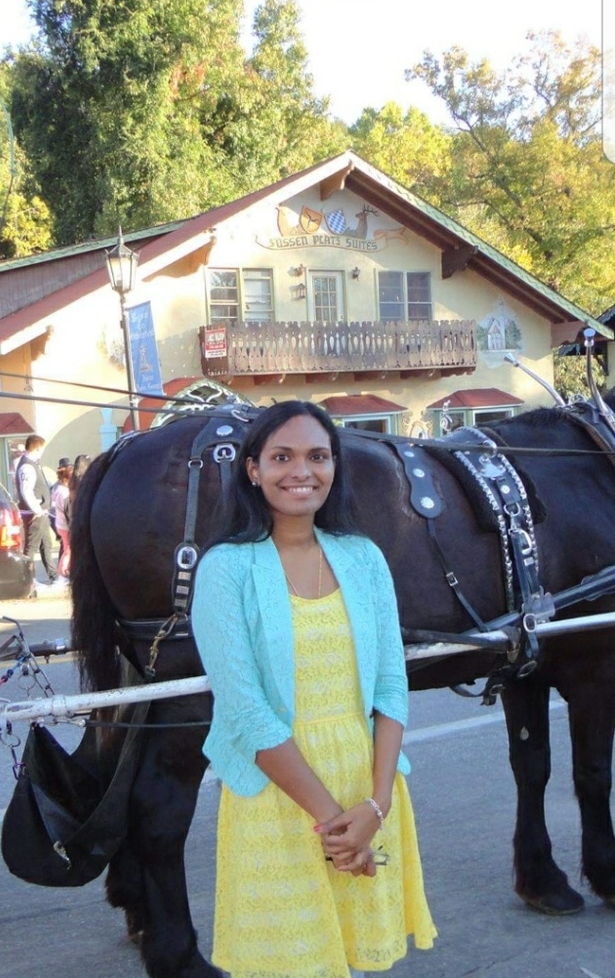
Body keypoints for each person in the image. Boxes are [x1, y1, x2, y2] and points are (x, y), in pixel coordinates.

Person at [191, 400, 436, 978]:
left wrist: (375, 806)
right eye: (282, 457)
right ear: (253, 469)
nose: (301, 471)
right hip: (279, 798)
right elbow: (246, 713)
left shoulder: (363, 558)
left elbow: (391, 686)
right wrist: (335, 825)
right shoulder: (226, 569)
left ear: (334, 466)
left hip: (364, 787)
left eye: (317, 456)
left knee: (359, 958)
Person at [14, 434, 61, 585]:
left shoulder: (32, 464)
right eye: (42, 449)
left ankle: (53, 576)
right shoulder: (27, 466)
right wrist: (37, 510)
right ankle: (27, 580)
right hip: (36, 513)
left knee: (46, 544)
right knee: (31, 547)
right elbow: (26, 491)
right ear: (38, 448)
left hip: (42, 512)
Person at [50, 458, 73, 578]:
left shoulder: (57, 488)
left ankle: (63, 572)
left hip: (59, 524)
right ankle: (62, 573)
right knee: (68, 550)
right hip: (64, 525)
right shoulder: (64, 492)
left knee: (66, 549)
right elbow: (68, 513)